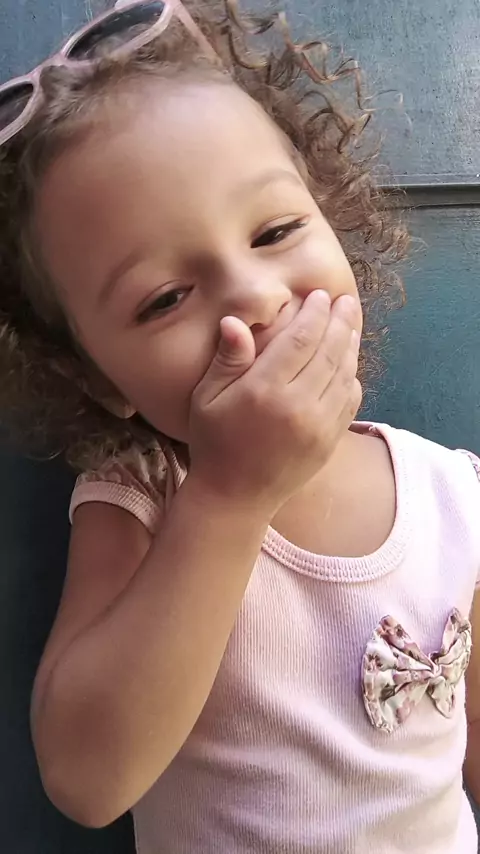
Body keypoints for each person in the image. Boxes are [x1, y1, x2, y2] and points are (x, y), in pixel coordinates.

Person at [0, 1, 479, 851]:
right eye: (163, 300)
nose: (255, 297)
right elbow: (87, 781)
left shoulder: (455, 494)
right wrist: (228, 496)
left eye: (277, 230)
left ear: (332, 214)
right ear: (99, 380)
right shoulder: (142, 497)